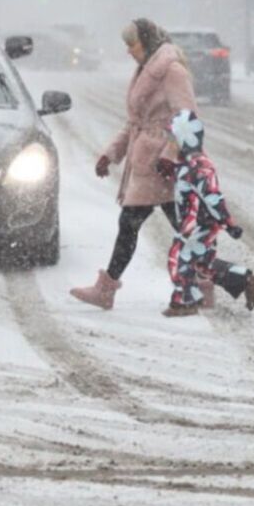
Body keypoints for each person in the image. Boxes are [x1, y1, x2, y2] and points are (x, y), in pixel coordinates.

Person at [69, 18, 198, 310]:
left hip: (161, 165)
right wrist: (110, 154)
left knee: (131, 224)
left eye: (132, 44)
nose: (129, 51)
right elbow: (136, 123)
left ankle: (106, 290)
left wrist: (171, 155)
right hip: (148, 162)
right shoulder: (147, 70)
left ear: (147, 41)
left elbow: (188, 118)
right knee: (178, 229)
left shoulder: (171, 71)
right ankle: (236, 280)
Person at [162, 110, 254, 315]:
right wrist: (171, 170)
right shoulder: (185, 163)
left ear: (185, 138)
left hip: (200, 224)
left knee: (179, 257)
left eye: (172, 138)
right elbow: (187, 183)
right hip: (195, 223)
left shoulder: (199, 166)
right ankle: (246, 280)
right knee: (200, 263)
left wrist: (229, 223)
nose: (169, 143)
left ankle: (186, 302)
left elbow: (212, 197)